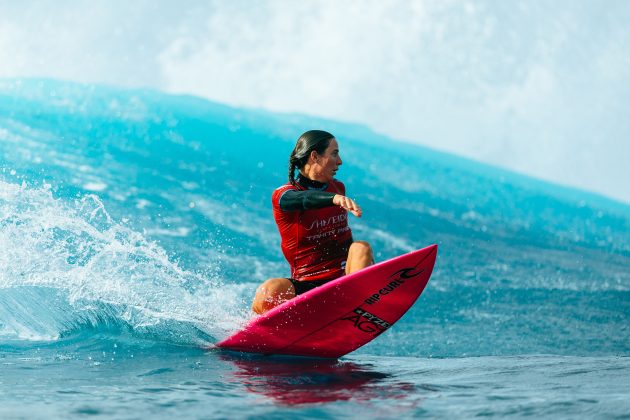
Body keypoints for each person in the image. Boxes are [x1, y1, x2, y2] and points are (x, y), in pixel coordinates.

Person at [252, 130, 374, 314]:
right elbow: (303, 199)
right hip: (308, 286)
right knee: (270, 290)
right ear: (315, 156)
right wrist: (332, 199)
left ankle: (354, 308)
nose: (340, 161)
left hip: (344, 281)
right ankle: (257, 331)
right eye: (334, 153)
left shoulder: (338, 187)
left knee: (361, 248)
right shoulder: (283, 196)